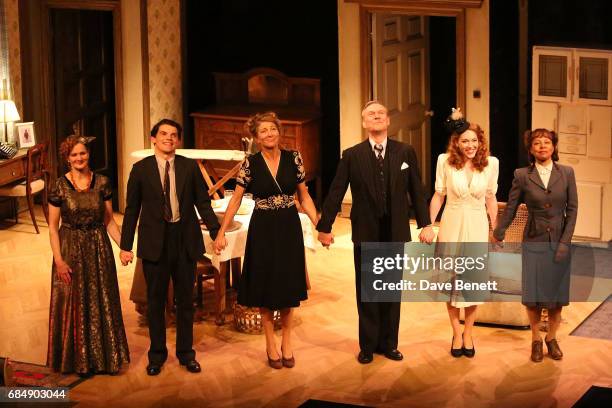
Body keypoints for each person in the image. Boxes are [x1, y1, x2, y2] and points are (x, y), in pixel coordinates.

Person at [317, 100, 434, 364]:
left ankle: (389, 343)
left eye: (382, 112)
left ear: (388, 121)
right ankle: (368, 345)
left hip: (395, 231)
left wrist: (426, 224)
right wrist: (325, 227)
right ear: (364, 123)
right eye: (371, 114)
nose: (377, 116)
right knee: (368, 289)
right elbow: (336, 191)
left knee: (391, 289)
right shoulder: (352, 155)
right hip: (366, 230)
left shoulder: (405, 152)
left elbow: (417, 190)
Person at [214, 112, 318, 369]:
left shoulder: (294, 158)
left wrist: (321, 225)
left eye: (273, 129)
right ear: (256, 137)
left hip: (288, 225)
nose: (269, 134)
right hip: (262, 227)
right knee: (265, 283)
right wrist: (221, 232)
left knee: (287, 284)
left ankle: (287, 342)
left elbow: (304, 196)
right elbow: (236, 199)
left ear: (279, 132)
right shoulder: (250, 163)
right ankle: (270, 342)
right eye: (263, 131)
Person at [119, 119, 220, 376]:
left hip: (184, 240)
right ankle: (157, 355)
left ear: (178, 140)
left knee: (186, 301)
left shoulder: (188, 166)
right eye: (163, 134)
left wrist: (217, 232)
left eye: (173, 135)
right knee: (155, 302)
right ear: (153, 138)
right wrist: (125, 245)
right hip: (154, 243)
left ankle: (186, 354)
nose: (169, 138)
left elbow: (203, 203)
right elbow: (132, 210)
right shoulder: (140, 170)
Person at [47, 135, 129, 376]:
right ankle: (78, 361)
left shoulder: (102, 182)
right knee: (74, 302)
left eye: (82, 153)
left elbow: (109, 220)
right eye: (74, 155)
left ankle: (106, 359)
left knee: (101, 300)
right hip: (70, 248)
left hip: (98, 248)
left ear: (88, 154)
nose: (79, 158)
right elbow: (53, 226)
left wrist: (123, 247)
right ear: (67, 159)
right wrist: (59, 260)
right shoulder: (59, 186)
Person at [493, 128, 577, 362]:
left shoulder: (567, 173)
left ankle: (551, 337)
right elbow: (511, 207)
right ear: (530, 149)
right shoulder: (522, 175)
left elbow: (572, 209)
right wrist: (499, 232)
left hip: (559, 239)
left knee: (556, 295)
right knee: (533, 295)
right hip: (533, 240)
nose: (542, 146)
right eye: (537, 143)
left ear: (554, 147)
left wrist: (565, 243)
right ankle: (536, 341)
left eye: (547, 142)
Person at [427, 108, 499, 358]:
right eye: (465, 140)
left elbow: (491, 199)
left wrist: (494, 229)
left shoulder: (491, 164)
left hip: (477, 225)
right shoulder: (443, 161)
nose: (470, 145)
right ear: (456, 142)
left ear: (481, 143)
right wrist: (429, 224)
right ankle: (455, 331)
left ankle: (469, 332)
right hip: (452, 223)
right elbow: (439, 195)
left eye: (474, 140)